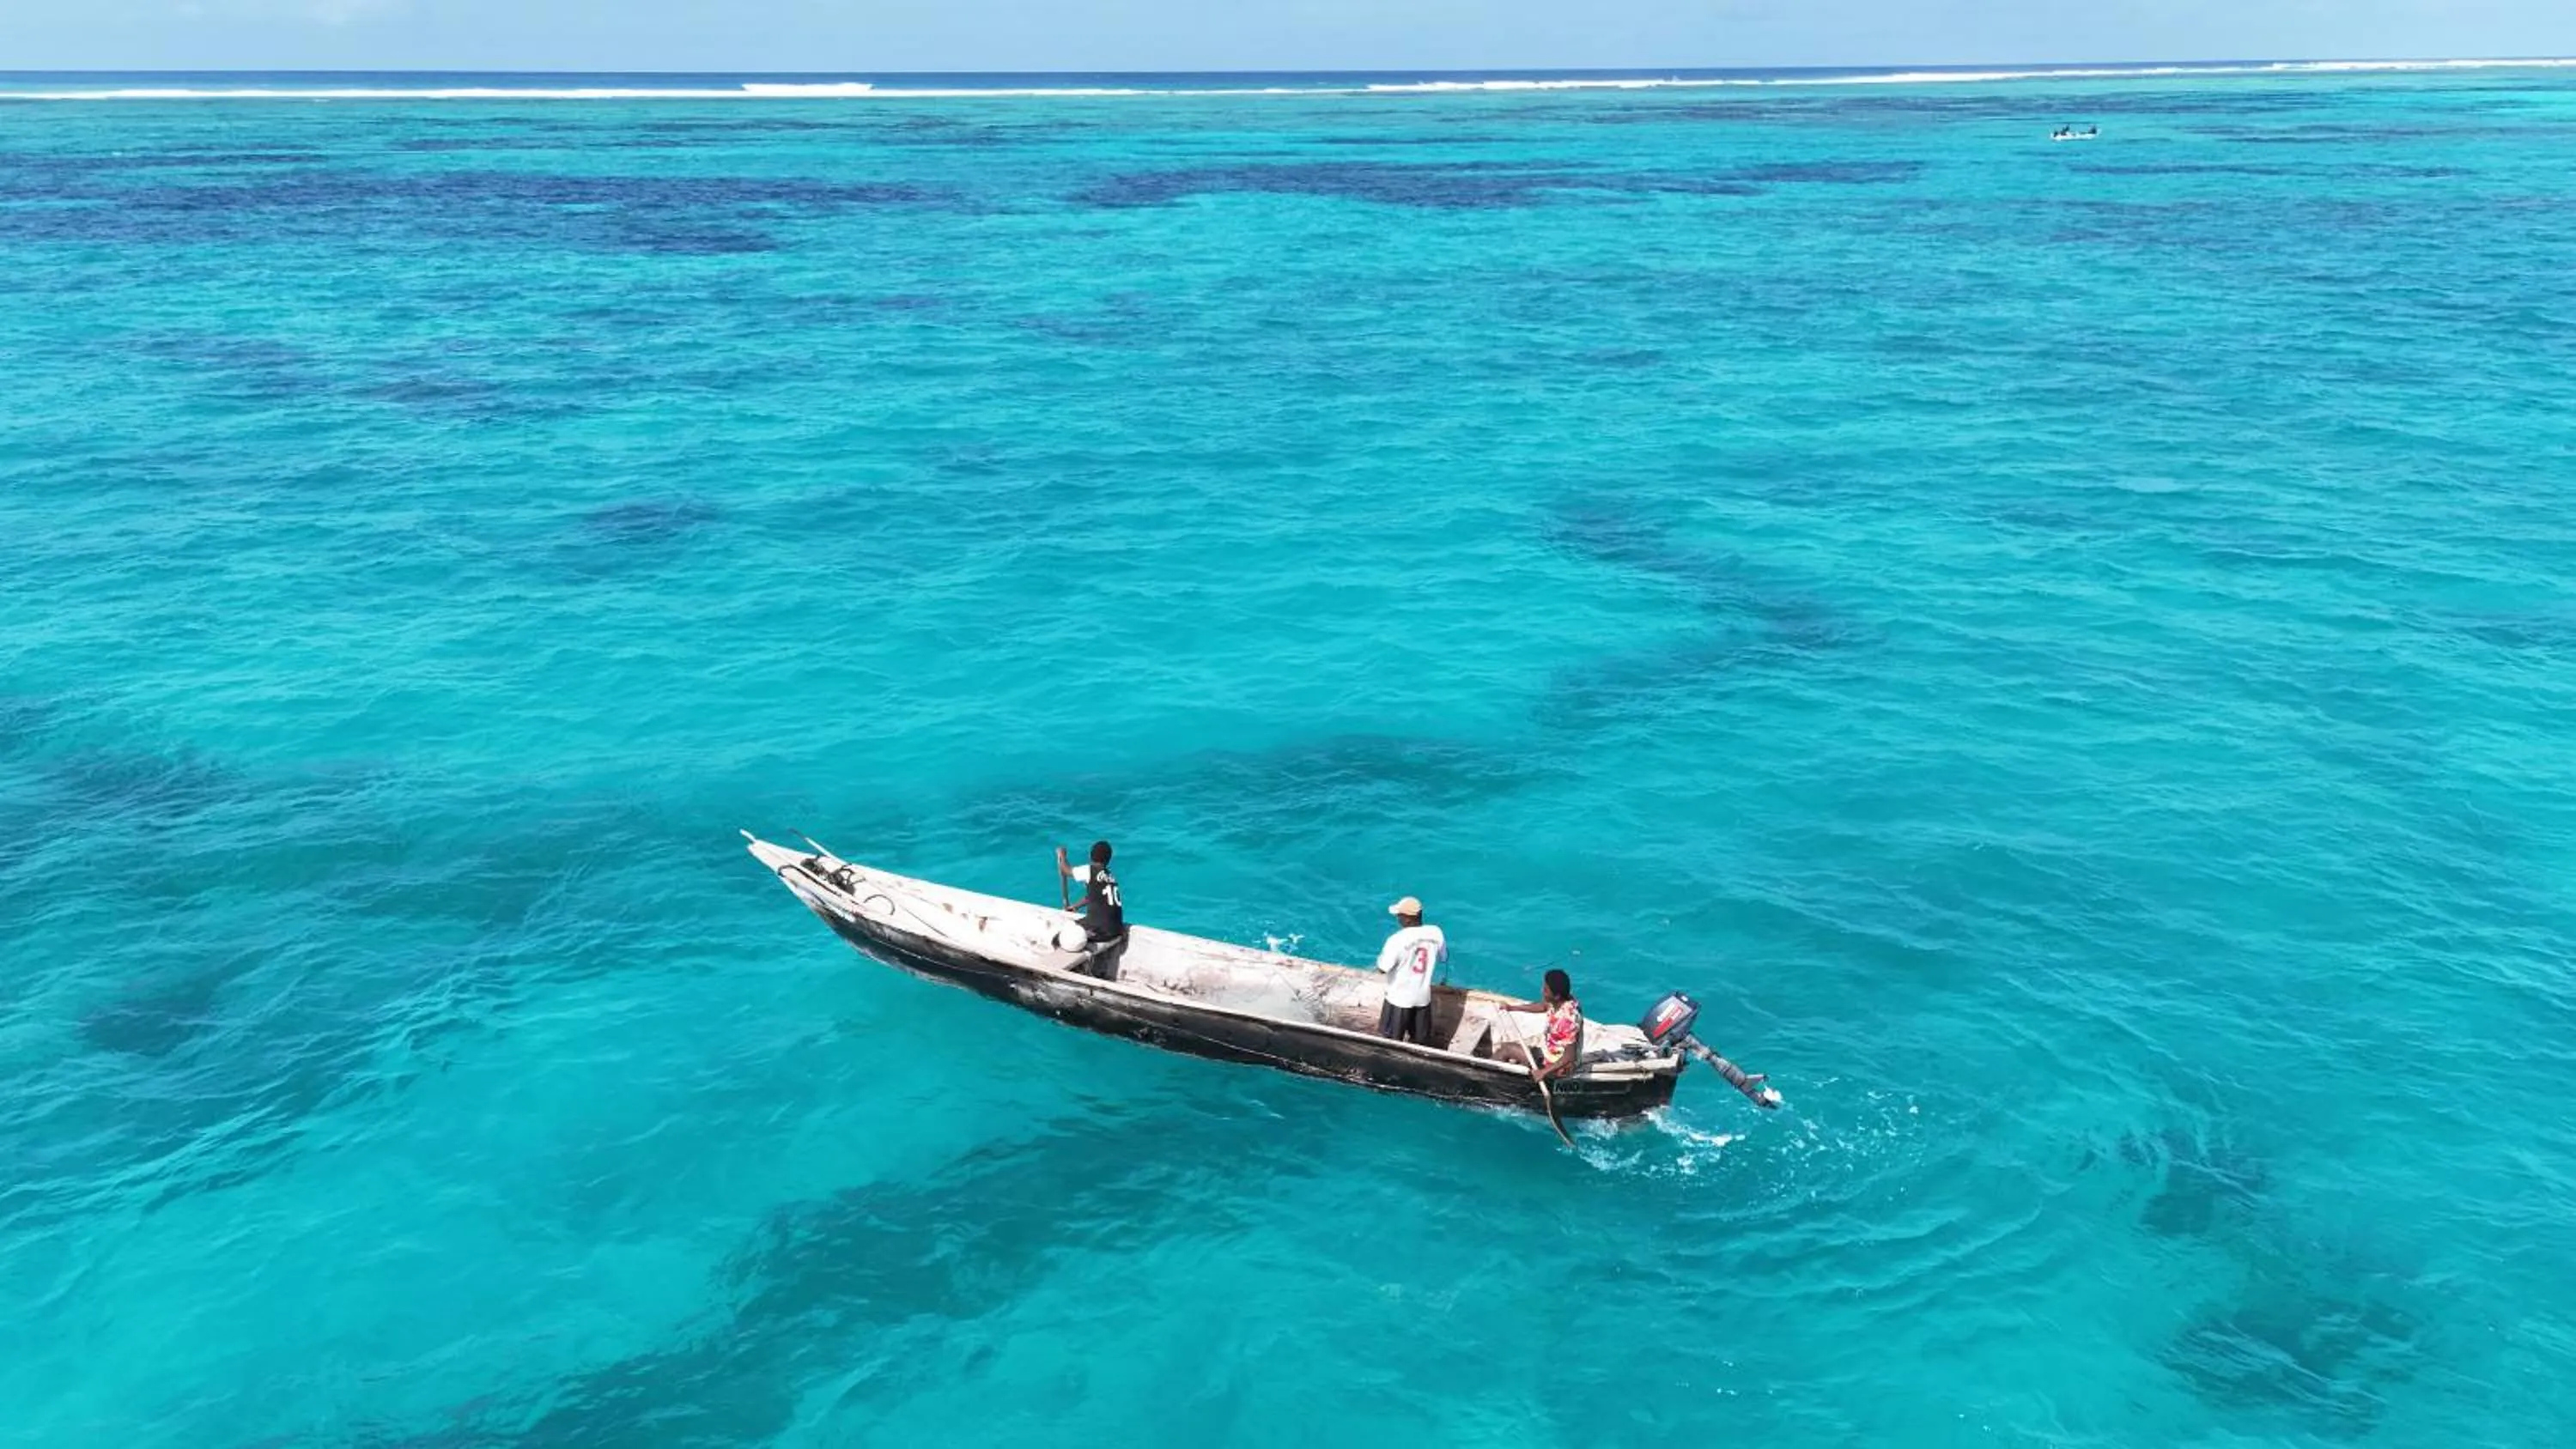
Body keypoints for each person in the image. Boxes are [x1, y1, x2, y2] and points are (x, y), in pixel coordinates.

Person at [1374, 895, 1446, 1045]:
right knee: (1420, 1043)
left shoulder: (1396, 940)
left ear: (1408, 918)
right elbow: (1443, 957)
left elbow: (1383, 969)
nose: (1397, 919)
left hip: (1398, 1000)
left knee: (1391, 1042)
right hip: (1422, 999)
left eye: (1399, 916)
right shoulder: (1436, 932)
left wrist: (1379, 961)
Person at [1054, 840, 1127, 980]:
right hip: (1117, 929)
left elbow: (1065, 869)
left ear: (1091, 856)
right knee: (1078, 927)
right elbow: (1093, 897)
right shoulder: (1110, 876)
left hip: (1101, 930)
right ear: (1108, 860)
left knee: (1059, 938)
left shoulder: (1090, 870)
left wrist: (1062, 855)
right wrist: (1075, 906)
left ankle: (1077, 970)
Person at [1497, 968, 1584, 1082]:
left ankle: (1484, 1077)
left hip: (1557, 1068)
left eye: (1546, 990)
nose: (1542, 991)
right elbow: (1543, 1006)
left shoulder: (1567, 1021)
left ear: (1557, 996)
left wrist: (1543, 1072)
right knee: (1511, 1048)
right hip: (1551, 1052)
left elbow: (1569, 1056)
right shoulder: (1563, 999)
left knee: (1506, 1049)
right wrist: (1513, 1008)